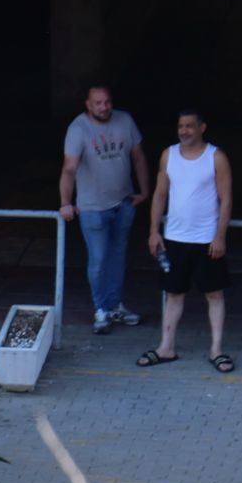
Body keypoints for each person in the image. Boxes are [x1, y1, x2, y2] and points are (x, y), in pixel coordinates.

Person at [138, 109, 234, 373]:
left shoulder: (216, 157)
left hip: (206, 239)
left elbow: (226, 198)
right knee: (174, 293)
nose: (184, 131)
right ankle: (166, 346)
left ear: (202, 128)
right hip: (175, 237)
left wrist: (220, 236)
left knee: (214, 294)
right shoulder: (168, 155)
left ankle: (216, 349)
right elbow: (159, 195)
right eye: (180, 126)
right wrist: (154, 231)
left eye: (190, 126)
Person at [58, 84, 150, 335]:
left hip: (123, 203)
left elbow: (138, 156)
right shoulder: (78, 129)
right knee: (98, 260)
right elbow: (69, 168)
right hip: (92, 208)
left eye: (107, 102)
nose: (103, 107)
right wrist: (66, 202)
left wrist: (144, 191)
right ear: (88, 104)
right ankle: (101, 308)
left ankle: (114, 304)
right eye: (97, 103)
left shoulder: (125, 120)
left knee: (118, 257)